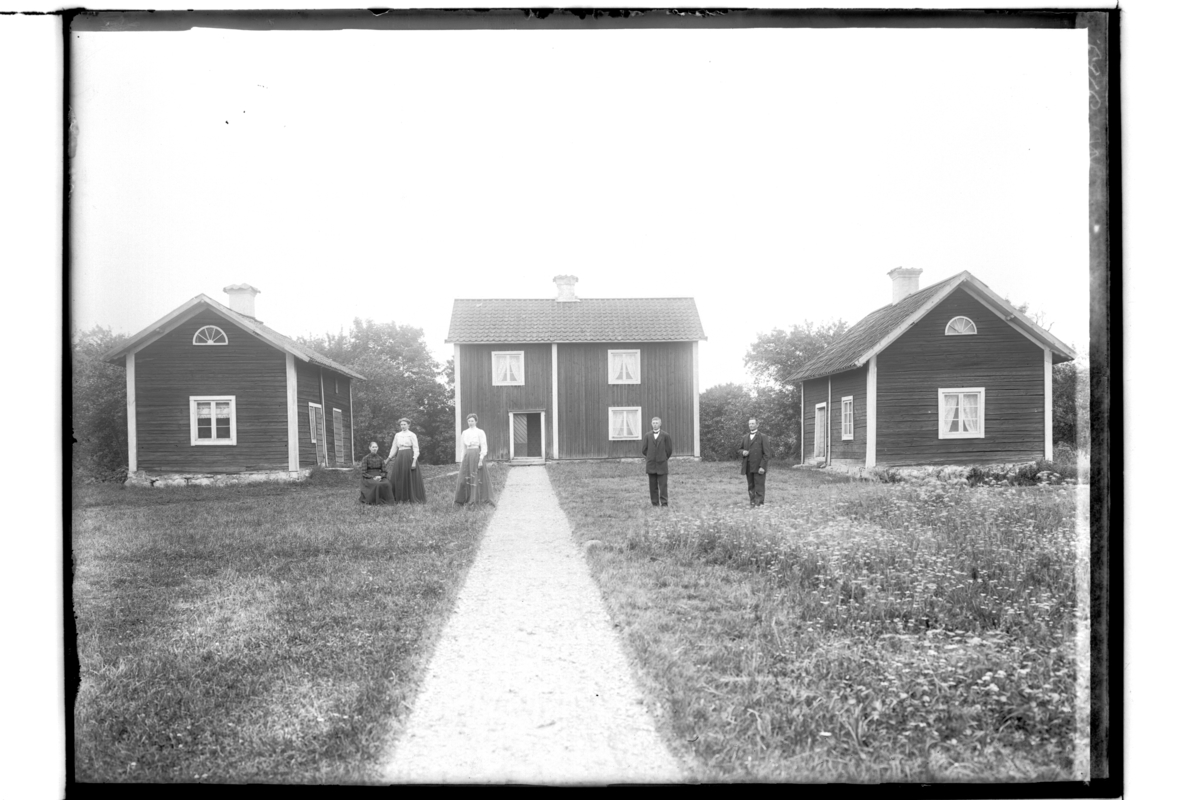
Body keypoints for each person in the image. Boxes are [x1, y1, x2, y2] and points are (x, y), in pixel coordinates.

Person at [454, 413, 494, 506]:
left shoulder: (480, 432)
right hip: (467, 455)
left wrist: (480, 460)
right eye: (469, 421)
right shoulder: (464, 432)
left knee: (476, 476)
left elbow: (484, 446)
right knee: (464, 478)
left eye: (472, 421)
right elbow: (463, 448)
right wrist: (462, 460)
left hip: (476, 455)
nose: (470, 422)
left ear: (476, 421)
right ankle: (464, 499)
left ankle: (477, 499)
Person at [387, 418, 426, 504]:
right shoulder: (397, 435)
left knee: (408, 476)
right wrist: (388, 459)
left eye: (404, 424)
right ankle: (399, 497)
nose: (403, 426)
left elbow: (416, 449)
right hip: (400, 456)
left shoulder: (412, 435)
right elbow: (394, 448)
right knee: (399, 476)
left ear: (408, 425)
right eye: (401, 424)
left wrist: (414, 461)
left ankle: (409, 497)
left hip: (409, 456)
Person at [739, 417, 773, 506]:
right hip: (748, 466)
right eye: (749, 424)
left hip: (759, 466)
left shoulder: (763, 437)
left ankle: (759, 504)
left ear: (757, 425)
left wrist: (762, 466)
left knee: (759, 486)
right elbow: (740, 449)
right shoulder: (745, 437)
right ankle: (752, 503)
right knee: (750, 486)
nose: (751, 425)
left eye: (753, 423)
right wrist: (743, 452)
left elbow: (767, 454)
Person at [641, 416, 672, 507]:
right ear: (651, 424)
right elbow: (644, 450)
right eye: (653, 423)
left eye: (657, 423)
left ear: (660, 424)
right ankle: (654, 503)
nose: (655, 425)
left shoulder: (665, 435)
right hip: (651, 464)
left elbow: (669, 450)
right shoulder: (647, 436)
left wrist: (663, 457)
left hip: (662, 464)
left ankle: (664, 503)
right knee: (652, 485)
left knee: (663, 485)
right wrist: (651, 456)